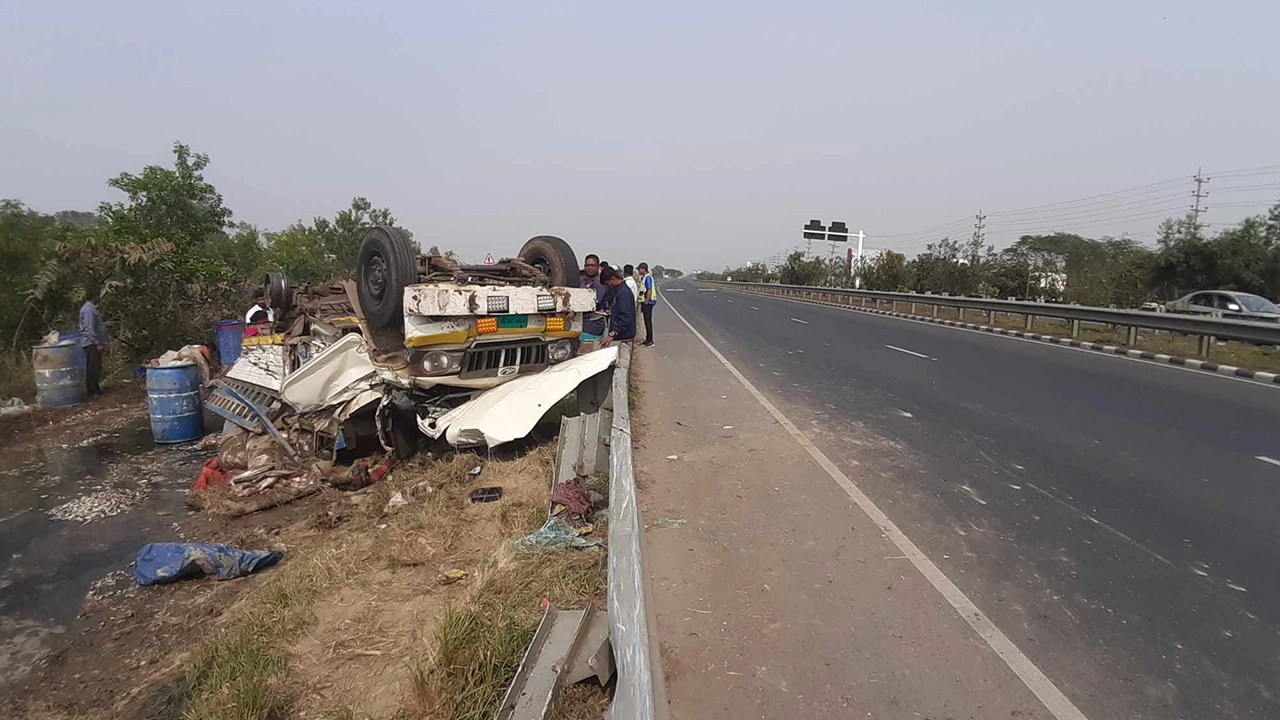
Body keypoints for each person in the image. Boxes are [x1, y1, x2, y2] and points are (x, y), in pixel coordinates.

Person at [78, 288, 108, 398]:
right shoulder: (88, 310)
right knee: (93, 367)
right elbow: (89, 329)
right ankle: (93, 392)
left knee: (96, 366)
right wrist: (97, 343)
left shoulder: (91, 309)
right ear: (94, 296)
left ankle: (96, 389)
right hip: (91, 343)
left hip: (93, 342)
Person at [600, 267, 635, 346]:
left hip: (623, 337)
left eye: (607, 284)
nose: (608, 287)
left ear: (612, 279)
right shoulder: (620, 291)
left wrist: (613, 334)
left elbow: (626, 317)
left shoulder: (623, 293)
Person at [580, 254, 608, 349]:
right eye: (588, 266)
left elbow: (594, 304)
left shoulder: (600, 283)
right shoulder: (583, 282)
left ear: (598, 267)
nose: (590, 268)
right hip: (581, 323)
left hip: (593, 325)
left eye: (592, 265)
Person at [637, 262, 657, 347]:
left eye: (639, 269)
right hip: (646, 302)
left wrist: (646, 301)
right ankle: (647, 339)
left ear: (643, 269)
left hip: (648, 302)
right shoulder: (645, 277)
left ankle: (650, 340)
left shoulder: (648, 277)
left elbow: (649, 289)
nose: (638, 271)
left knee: (648, 321)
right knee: (646, 321)